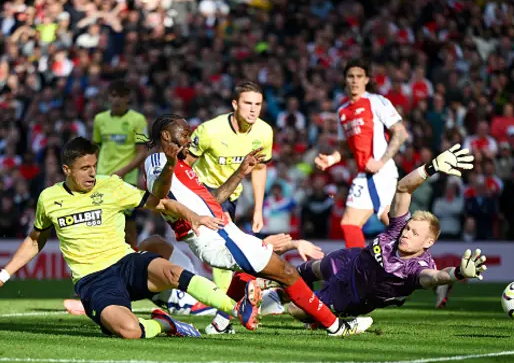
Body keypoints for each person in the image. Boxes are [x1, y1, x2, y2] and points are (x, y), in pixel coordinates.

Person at [0, 137, 261, 339]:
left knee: (171, 270)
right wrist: (2, 277)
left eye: (94, 166)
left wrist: (192, 215)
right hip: (92, 280)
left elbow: (159, 202)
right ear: (66, 170)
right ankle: (165, 323)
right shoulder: (49, 199)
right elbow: (34, 241)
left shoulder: (111, 186)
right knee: (129, 331)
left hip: (125, 262)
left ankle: (235, 309)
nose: (92, 173)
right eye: (84, 168)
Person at [144, 114, 371, 337]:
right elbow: (160, 197)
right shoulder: (157, 161)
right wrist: (189, 206)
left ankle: (221, 324)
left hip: (223, 232)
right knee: (286, 273)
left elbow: (212, 200)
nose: (189, 139)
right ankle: (337, 327)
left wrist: (241, 172)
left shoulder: (182, 167)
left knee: (260, 273)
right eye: (184, 134)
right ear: (166, 135)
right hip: (211, 236)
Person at [289, 144, 487, 324]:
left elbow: (435, 277)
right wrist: (432, 166)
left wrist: (459, 273)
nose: (406, 233)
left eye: (414, 233)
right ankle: (272, 292)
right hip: (350, 261)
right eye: (408, 228)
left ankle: (324, 312)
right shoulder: (398, 229)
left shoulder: (415, 268)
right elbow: (403, 189)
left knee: (295, 309)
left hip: (351, 295)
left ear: (428, 242)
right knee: (306, 270)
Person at [186, 81, 273, 293]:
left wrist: (258, 210)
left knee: (223, 244)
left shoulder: (264, 132)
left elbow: (260, 169)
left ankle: (223, 296)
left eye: (258, 104)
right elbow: (185, 163)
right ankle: (225, 303)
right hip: (205, 190)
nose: (253, 109)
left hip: (233, 193)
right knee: (224, 242)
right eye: (248, 103)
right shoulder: (209, 130)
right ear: (235, 104)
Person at [315, 60, 408, 248]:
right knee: (349, 223)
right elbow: (346, 148)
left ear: (366, 80)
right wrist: (331, 159)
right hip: (363, 174)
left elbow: (400, 132)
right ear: (345, 80)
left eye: (359, 76)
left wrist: (381, 162)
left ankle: (421, 265)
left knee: (393, 223)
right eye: (350, 76)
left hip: (381, 172)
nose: (354, 80)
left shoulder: (376, 101)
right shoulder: (342, 111)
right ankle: (360, 273)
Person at [93, 80, 150, 248]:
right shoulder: (99, 119)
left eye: (121, 96)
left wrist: (123, 171)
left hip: (125, 181)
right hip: (101, 178)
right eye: (113, 95)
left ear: (128, 98)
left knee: (128, 226)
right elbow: (96, 148)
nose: (117, 100)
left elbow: (142, 151)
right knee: (103, 224)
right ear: (109, 98)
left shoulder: (138, 120)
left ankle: (134, 264)